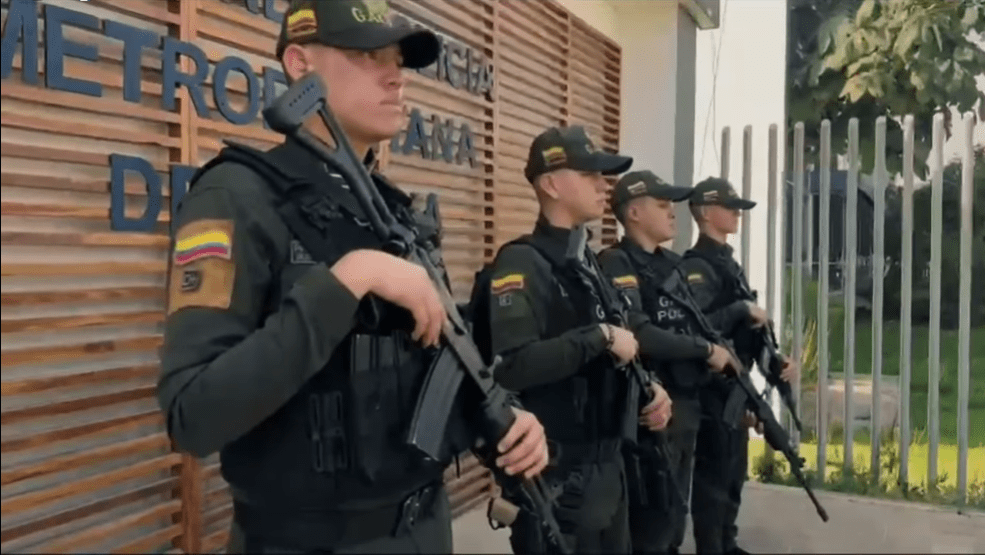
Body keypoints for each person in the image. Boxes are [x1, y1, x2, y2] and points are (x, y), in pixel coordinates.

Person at [156, 2, 549, 553]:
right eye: (367, 56)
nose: (395, 76)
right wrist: (348, 280)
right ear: (299, 64)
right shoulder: (237, 197)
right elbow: (193, 416)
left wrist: (504, 417)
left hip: (424, 530)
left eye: (398, 61)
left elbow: (433, 357)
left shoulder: (392, 212)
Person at [484, 125, 673, 554]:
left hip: (608, 468)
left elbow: (621, 342)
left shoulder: (588, 262)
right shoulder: (521, 262)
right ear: (551, 185)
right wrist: (599, 338)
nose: (602, 185)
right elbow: (512, 366)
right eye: (588, 174)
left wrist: (650, 388)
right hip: (558, 479)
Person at [597, 170, 741, 555]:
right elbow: (639, 333)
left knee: (675, 517)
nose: (672, 212)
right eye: (662, 205)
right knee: (651, 521)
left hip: (687, 404)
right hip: (650, 410)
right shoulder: (617, 263)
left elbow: (701, 325)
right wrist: (704, 351)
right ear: (634, 213)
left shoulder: (675, 266)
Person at [682, 177, 798, 555]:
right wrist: (740, 309)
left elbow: (746, 333)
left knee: (733, 472)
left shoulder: (728, 263)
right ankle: (711, 548)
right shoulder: (696, 268)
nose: (737, 214)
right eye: (729, 207)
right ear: (705, 212)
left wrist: (775, 362)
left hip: (736, 384)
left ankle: (727, 543)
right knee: (713, 477)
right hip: (711, 387)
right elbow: (700, 327)